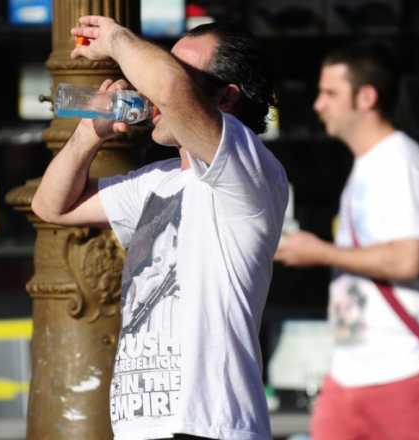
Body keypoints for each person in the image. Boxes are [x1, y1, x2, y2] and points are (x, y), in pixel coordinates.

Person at [32, 17, 288, 440]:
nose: (150, 87)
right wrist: (88, 133)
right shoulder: (158, 179)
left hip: (209, 426)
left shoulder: (247, 168)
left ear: (225, 98)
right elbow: (51, 205)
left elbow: (170, 89)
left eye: (179, 73)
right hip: (143, 427)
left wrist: (116, 40)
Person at [274, 42, 419, 439]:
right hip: (353, 372)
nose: (318, 105)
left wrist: (319, 252)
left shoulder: (400, 163)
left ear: (366, 97)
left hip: (406, 369)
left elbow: (407, 260)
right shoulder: (368, 166)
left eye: (330, 93)